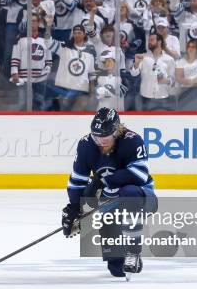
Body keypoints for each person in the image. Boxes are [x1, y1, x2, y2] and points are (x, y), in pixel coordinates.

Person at [61, 108, 156, 279]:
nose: (101, 142)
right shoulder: (86, 145)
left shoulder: (133, 141)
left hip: (141, 198)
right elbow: (77, 181)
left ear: (117, 131)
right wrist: (74, 209)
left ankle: (133, 252)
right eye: (97, 137)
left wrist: (103, 181)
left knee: (129, 193)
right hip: (109, 204)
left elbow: (139, 174)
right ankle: (120, 256)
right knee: (116, 269)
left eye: (105, 137)